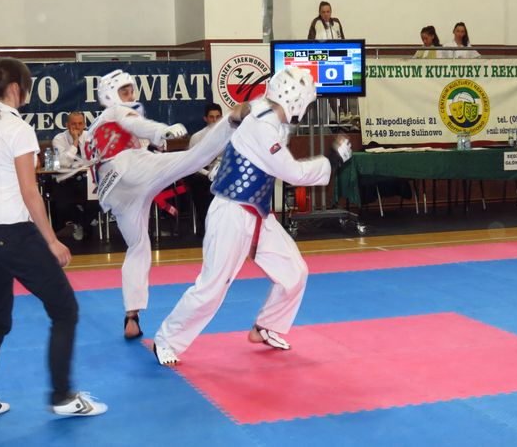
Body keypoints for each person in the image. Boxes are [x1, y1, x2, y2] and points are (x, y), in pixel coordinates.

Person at [152, 67, 353, 366]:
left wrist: (237, 126)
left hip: (258, 214)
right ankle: (166, 340)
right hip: (231, 214)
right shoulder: (263, 127)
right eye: (307, 104)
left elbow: (243, 110)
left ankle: (267, 326)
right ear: (297, 102)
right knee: (212, 287)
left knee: (294, 272)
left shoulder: (268, 116)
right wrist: (331, 161)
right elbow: (292, 172)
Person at [0, 58, 106, 417]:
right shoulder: (17, 129)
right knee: (65, 310)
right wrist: (52, 241)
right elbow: (30, 192)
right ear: (16, 88)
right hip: (13, 232)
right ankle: (63, 398)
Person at [86, 70, 248, 339]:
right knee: (192, 159)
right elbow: (137, 124)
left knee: (138, 247)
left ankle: (131, 316)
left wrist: (154, 144)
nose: (131, 95)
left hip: (113, 192)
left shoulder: (93, 128)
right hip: (128, 168)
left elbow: (126, 137)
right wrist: (162, 131)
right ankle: (231, 122)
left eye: (131, 90)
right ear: (111, 95)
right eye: (124, 91)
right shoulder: (116, 112)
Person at [50, 111, 99, 240]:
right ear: (67, 125)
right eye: (73, 124)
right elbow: (63, 163)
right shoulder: (59, 139)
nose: (77, 127)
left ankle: (82, 222)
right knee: (61, 205)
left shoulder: (91, 137)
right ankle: (84, 222)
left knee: (97, 199)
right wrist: (75, 142)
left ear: (85, 124)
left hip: (88, 179)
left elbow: (97, 158)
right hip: (67, 179)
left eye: (80, 123)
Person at [185, 102, 224, 232]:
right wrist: (207, 174)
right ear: (205, 119)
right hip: (203, 173)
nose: (214, 120)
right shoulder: (197, 137)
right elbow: (192, 163)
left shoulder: (230, 135)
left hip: (223, 173)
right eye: (211, 117)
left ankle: (226, 226)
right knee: (196, 181)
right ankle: (207, 225)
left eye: (217, 117)